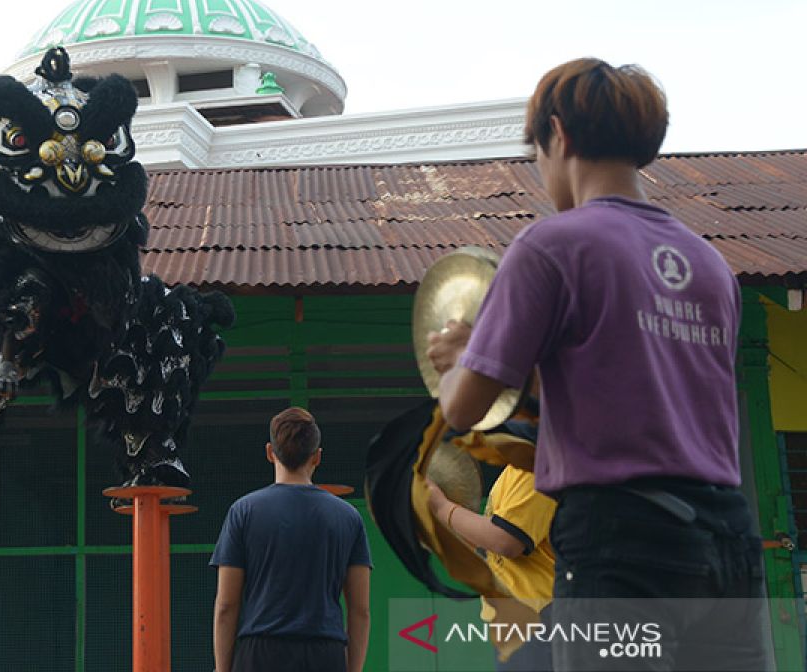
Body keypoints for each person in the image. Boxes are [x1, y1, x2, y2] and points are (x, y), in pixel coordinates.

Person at [426, 58, 768, 670]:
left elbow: (463, 407)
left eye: (538, 154)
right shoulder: (709, 265)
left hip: (622, 541)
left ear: (558, 136)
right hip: (727, 539)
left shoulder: (553, 245)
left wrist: (457, 357)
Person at [210, 407, 371, 672]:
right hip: (324, 653)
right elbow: (360, 610)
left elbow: (227, 604)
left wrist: (222, 668)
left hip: (259, 653)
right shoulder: (348, 517)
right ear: (317, 457)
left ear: (270, 453)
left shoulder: (243, 511)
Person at [426, 458, 556, 671]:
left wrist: (442, 507)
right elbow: (491, 541)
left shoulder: (536, 466)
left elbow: (506, 541)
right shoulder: (518, 469)